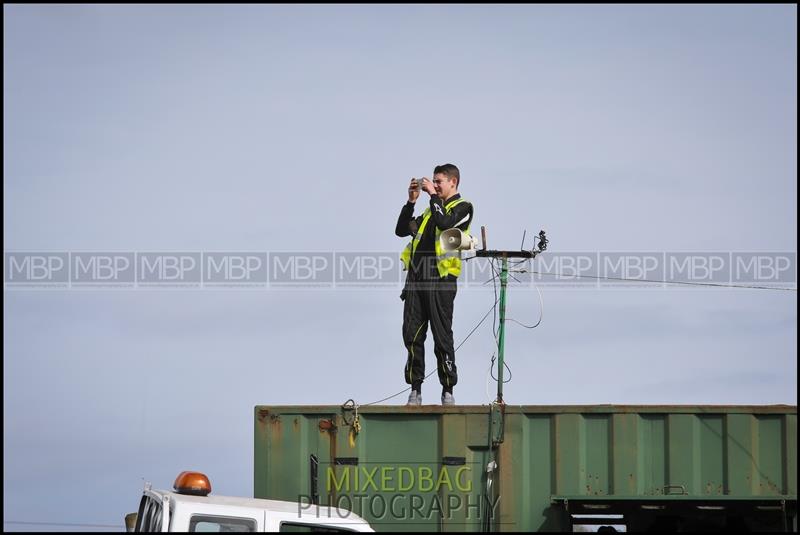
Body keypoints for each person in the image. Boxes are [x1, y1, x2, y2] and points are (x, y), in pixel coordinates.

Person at [395, 163, 474, 406]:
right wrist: (411, 202)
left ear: (453, 182)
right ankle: (415, 389)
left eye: (439, 181)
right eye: (434, 182)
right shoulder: (430, 210)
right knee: (412, 334)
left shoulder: (463, 207)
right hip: (416, 280)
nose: (435, 185)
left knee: (442, 336)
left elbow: (445, 223)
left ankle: (447, 388)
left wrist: (431, 196)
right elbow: (400, 230)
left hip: (441, 280)